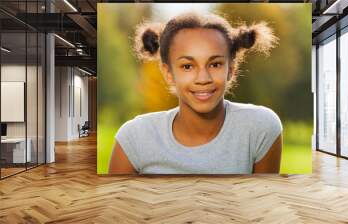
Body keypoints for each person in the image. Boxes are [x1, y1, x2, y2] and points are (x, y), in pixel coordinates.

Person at [108, 12, 283, 175]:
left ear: (232, 69)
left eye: (215, 64)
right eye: (187, 66)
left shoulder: (261, 127)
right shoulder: (134, 137)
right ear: (168, 73)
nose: (203, 78)